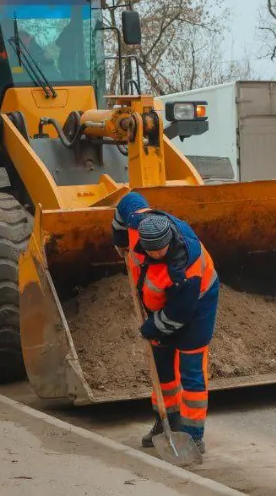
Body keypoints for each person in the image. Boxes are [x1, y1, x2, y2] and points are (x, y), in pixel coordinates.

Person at [111, 191, 219, 455]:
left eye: (161, 249)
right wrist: (119, 239)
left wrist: (151, 328)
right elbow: (128, 201)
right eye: (151, 250)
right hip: (160, 306)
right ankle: (166, 421)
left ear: (169, 240)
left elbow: (180, 313)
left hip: (198, 305)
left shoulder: (186, 269)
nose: (157, 253)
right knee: (162, 366)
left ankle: (193, 435)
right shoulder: (140, 224)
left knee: (191, 369)